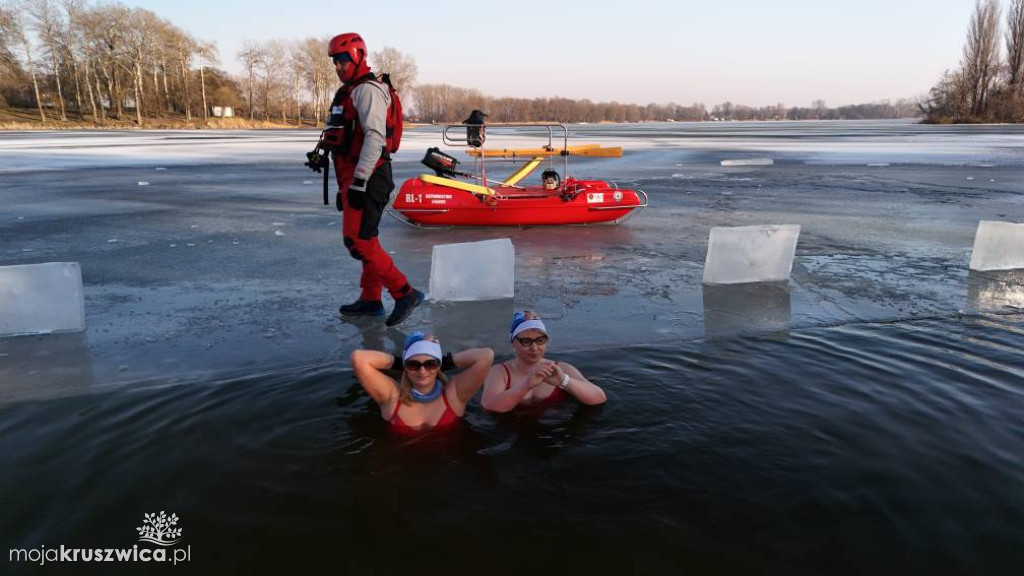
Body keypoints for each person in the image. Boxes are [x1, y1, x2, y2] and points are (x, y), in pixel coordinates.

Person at [327, 32, 423, 327]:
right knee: (368, 236)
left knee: (358, 240)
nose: (339, 67)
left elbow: (375, 138)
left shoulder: (367, 90)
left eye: (343, 60)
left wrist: (358, 182)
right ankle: (370, 299)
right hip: (356, 175)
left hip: (368, 176)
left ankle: (403, 292)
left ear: (357, 57)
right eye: (335, 62)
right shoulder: (352, 90)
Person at [351, 332, 494, 433]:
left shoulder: (453, 394)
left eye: (430, 364)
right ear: (405, 367)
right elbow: (359, 358)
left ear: (439, 365)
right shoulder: (392, 396)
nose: (422, 371)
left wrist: (442, 361)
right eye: (414, 365)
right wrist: (404, 361)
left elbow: (486, 356)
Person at [481, 311, 606, 412]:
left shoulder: (561, 369)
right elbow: (489, 406)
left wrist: (565, 381)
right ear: (512, 343)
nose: (534, 348)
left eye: (540, 340)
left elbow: (599, 398)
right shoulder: (500, 372)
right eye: (526, 342)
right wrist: (526, 385)